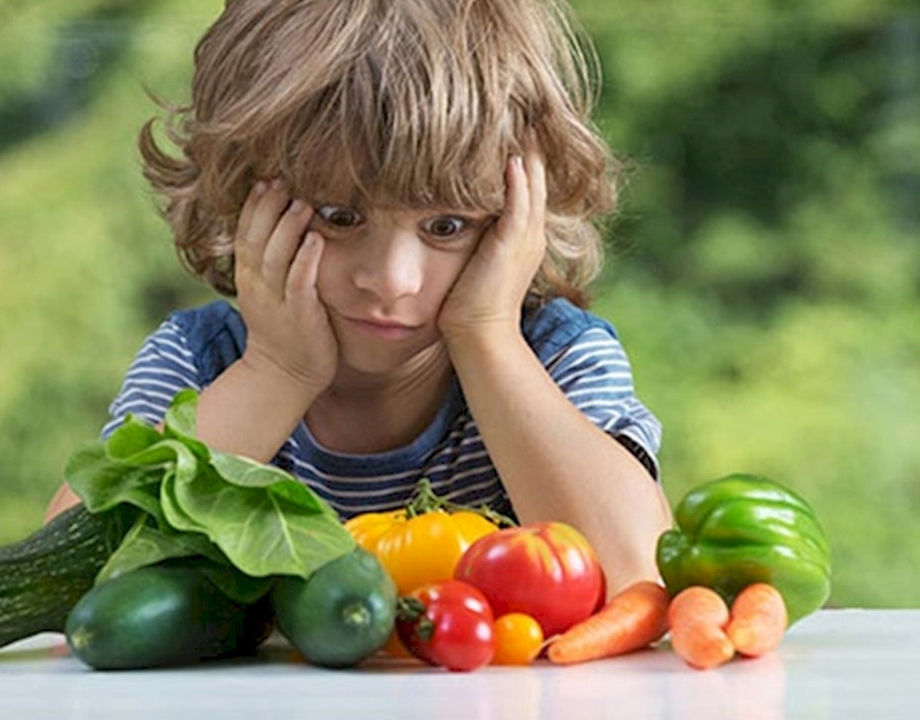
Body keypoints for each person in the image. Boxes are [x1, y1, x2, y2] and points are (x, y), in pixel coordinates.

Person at [46, 0, 672, 598]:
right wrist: (275, 374)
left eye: (446, 226)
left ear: (517, 215)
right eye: (340, 216)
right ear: (241, 196)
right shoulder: (199, 365)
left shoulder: (555, 359)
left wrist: (486, 336)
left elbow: (639, 576)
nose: (392, 279)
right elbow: (64, 582)